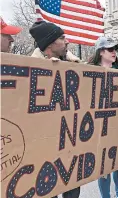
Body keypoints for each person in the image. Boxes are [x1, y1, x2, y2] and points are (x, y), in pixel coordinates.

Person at [29, 20, 81, 198]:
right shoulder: (29, 69)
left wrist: (74, 65)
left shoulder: (73, 64)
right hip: (43, 153)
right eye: (62, 38)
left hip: (69, 151)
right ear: (50, 44)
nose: (67, 41)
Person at [88, 36, 118, 198]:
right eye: (111, 49)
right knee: (103, 167)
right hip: (98, 126)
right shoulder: (88, 71)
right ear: (101, 51)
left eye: (116, 49)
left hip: (117, 124)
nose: (114, 52)